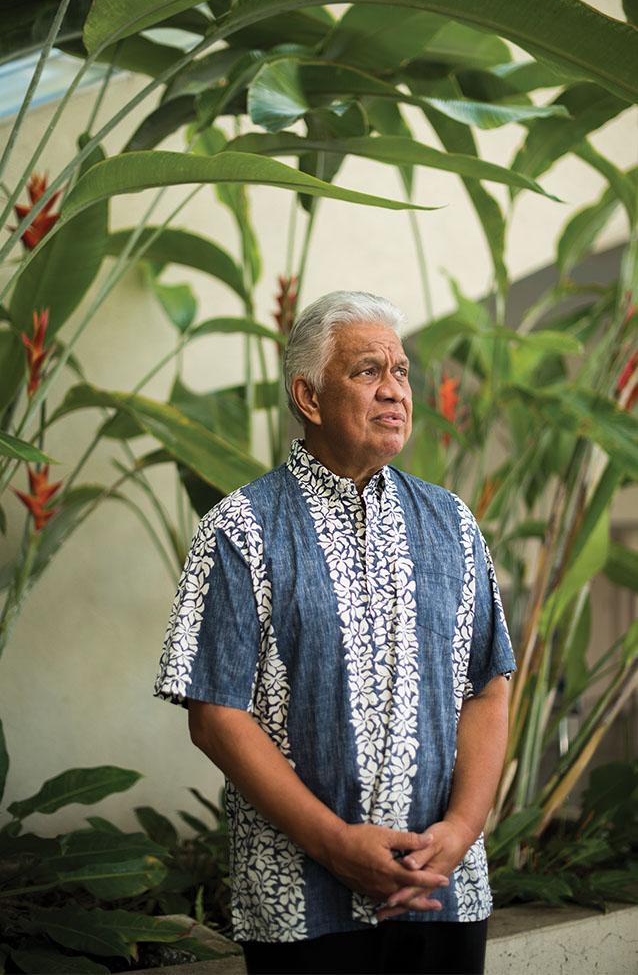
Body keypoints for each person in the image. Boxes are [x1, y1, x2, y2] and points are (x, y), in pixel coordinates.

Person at [155, 290, 516, 975]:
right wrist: (335, 845)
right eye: (368, 371)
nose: (395, 391)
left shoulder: (453, 525)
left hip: (446, 895)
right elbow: (215, 716)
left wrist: (461, 832)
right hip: (302, 908)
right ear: (309, 396)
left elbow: (488, 687)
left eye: (402, 372)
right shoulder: (240, 529)